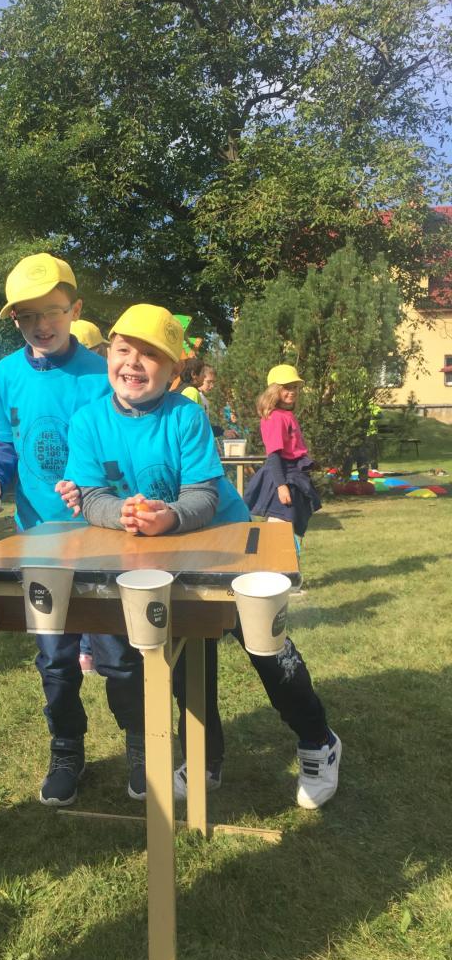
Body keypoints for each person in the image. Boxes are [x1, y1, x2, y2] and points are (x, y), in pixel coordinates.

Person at [60, 311, 341, 809]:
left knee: (266, 647)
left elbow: (204, 496)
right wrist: (118, 513)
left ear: (173, 371)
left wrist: (169, 516)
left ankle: (318, 741)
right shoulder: (87, 421)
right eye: (124, 350)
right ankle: (204, 758)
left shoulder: (185, 415)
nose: (133, 363)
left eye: (150, 354)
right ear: (109, 355)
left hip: (227, 544)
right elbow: (91, 496)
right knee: (189, 664)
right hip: (160, 557)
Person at [0, 253, 144, 808]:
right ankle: (67, 749)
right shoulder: (3, 376)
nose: (39, 324)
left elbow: (121, 444)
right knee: (54, 656)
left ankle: (140, 745)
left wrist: (101, 490)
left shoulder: (101, 375)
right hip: (39, 538)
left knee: (118, 655)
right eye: (26, 316)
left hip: (104, 536)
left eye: (51, 311)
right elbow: (4, 444)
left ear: (75, 309)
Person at [69, 318, 110, 675]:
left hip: (102, 506)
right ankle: (87, 649)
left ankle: (88, 649)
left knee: (90, 580)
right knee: (90, 581)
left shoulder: (106, 386)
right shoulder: (88, 414)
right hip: (82, 503)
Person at [244, 365, 322, 538]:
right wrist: (281, 486)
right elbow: (274, 455)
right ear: (274, 390)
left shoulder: (286, 415)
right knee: (278, 534)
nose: (292, 391)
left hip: (293, 475)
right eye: (287, 387)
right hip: (283, 477)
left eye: (295, 387)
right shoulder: (275, 417)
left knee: (287, 535)